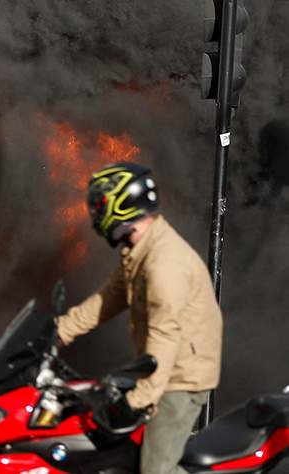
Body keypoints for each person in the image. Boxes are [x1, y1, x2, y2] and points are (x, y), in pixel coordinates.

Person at [56, 162, 223, 474]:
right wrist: (59, 332)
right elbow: (109, 297)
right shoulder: (140, 249)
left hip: (181, 377)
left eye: (100, 206)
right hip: (157, 366)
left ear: (123, 204)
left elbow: (165, 338)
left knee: (154, 469)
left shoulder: (164, 263)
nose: (95, 215)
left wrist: (138, 400)